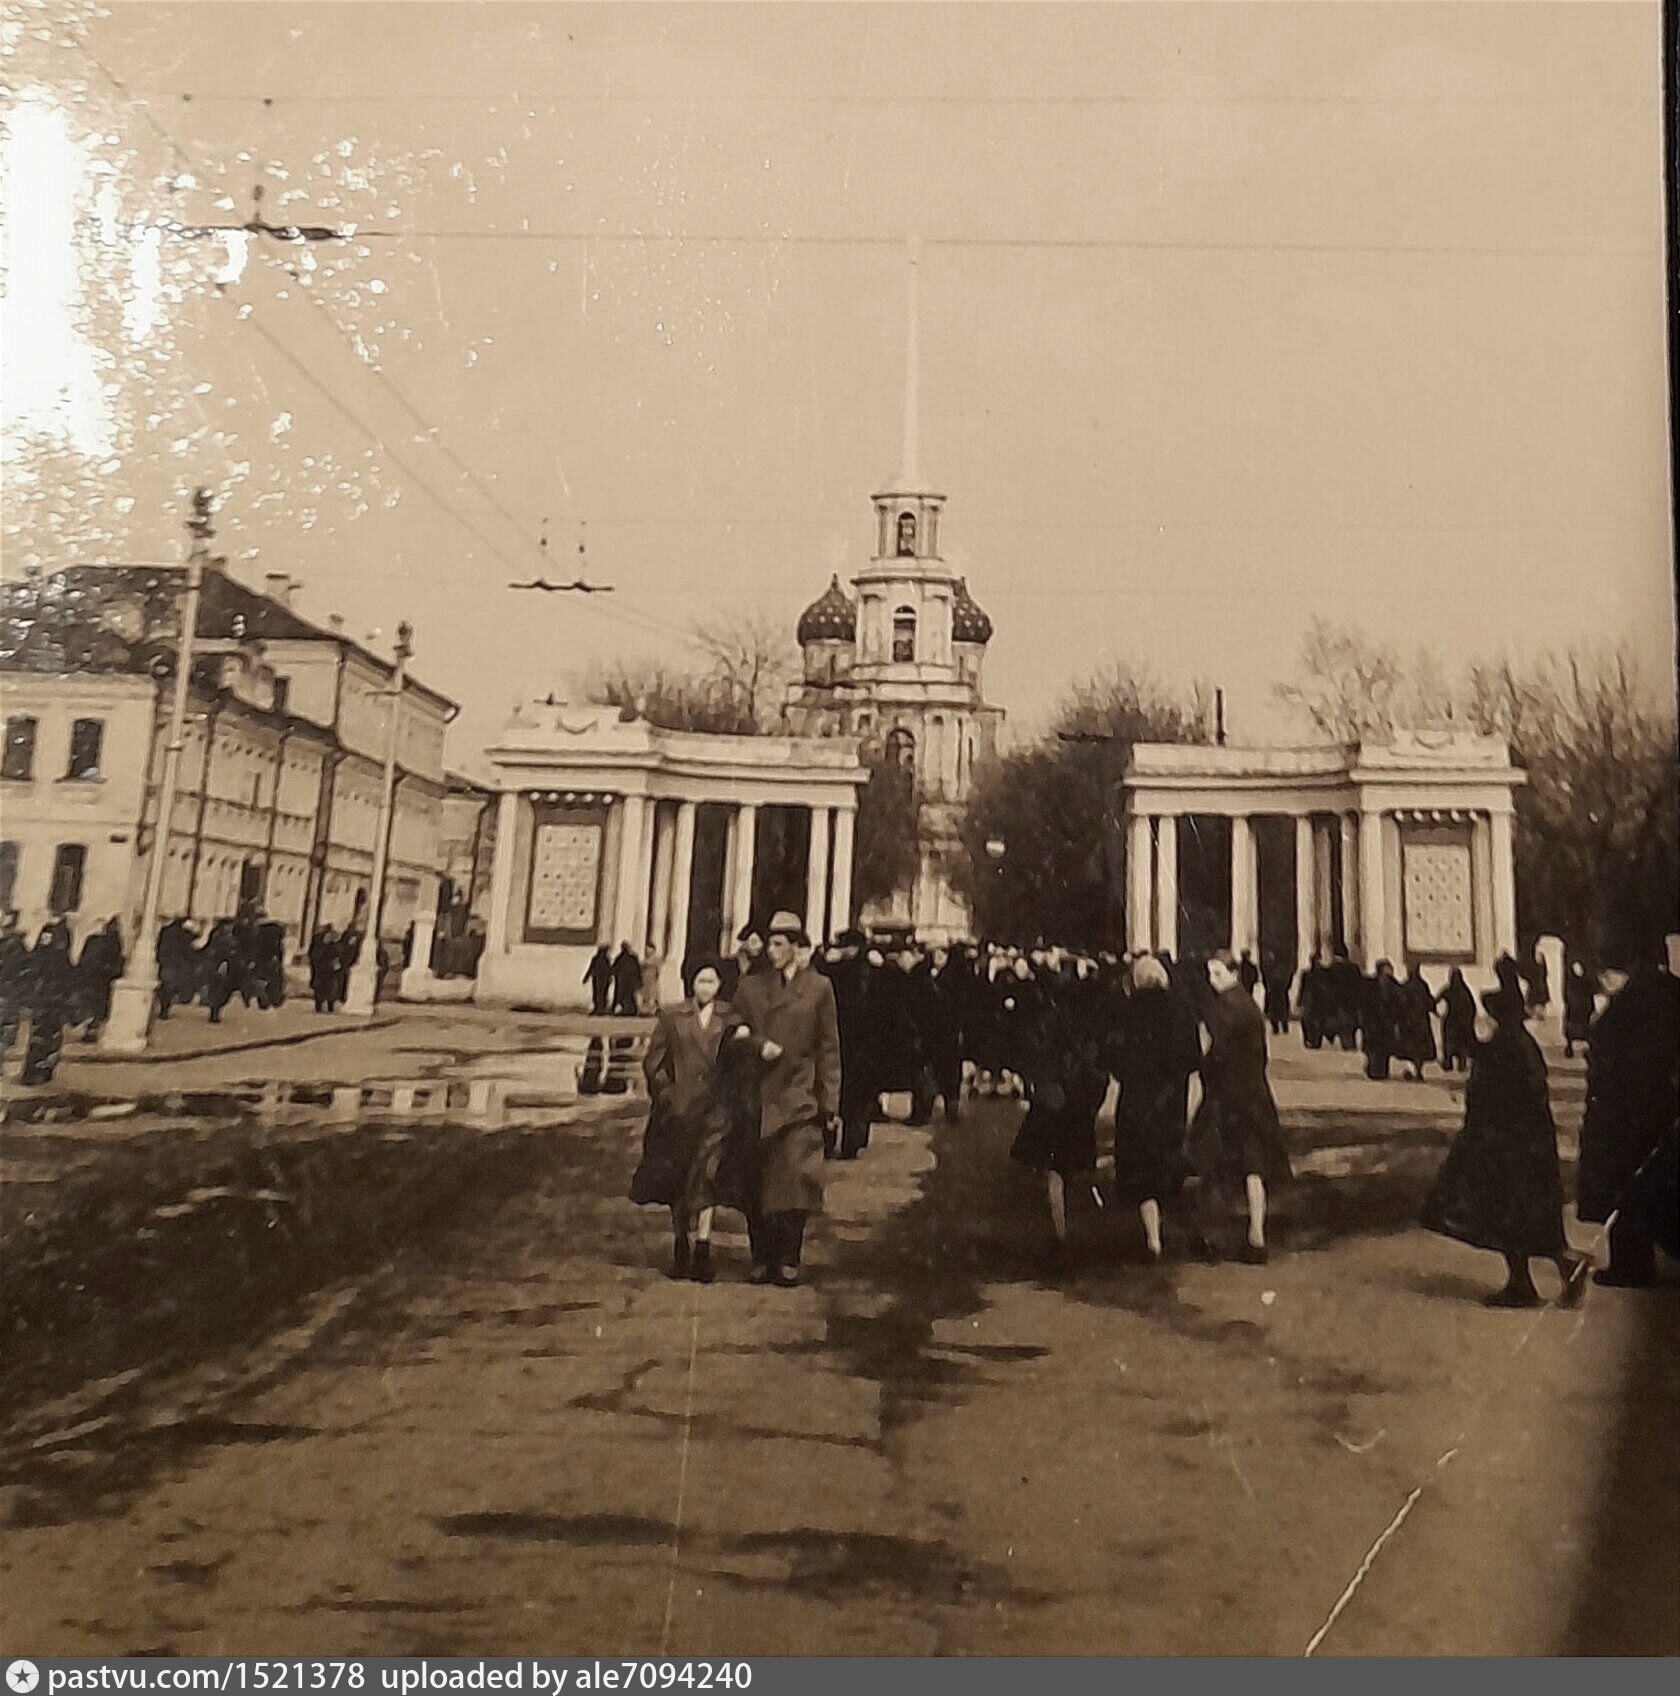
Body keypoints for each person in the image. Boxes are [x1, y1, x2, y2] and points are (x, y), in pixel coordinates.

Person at [1421, 991, 1587, 1307]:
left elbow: (1494, 1092)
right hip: (1527, 1145)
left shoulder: (1506, 1046)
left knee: (1506, 1214)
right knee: (1523, 1219)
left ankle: (1525, 1284)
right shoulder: (1520, 1043)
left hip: (1505, 1145)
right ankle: (1551, 1272)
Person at [729, 911, 840, 1287]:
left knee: (795, 1177)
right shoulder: (749, 987)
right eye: (770, 943)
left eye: (779, 944)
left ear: (796, 947)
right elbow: (732, 1033)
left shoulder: (819, 988)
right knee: (756, 1180)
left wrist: (831, 1102)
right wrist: (757, 1045)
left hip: (798, 1095)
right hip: (755, 1096)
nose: (772, 951)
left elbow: (828, 1048)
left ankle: (789, 1255)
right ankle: (761, 1255)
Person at [629, 961, 748, 1282]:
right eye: (700, 980)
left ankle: (704, 1247)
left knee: (708, 1176)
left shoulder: (731, 1019)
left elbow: (740, 1061)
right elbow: (654, 1062)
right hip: (678, 1114)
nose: (705, 987)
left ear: (720, 984)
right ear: (690, 983)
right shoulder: (672, 1016)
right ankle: (681, 1241)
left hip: (715, 1111)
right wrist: (667, 1095)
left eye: (711, 981)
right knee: (680, 1180)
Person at [1576, 963, 1680, 1287]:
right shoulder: (1658, 996)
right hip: (1649, 1111)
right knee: (1642, 1192)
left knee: (1634, 1195)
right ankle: (1632, 1261)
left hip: (1628, 1117)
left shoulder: (1633, 1006)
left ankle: (1631, 1265)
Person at [1187, 952, 1291, 1263]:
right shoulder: (1250, 1007)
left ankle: (1205, 1234)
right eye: (1210, 973)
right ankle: (1256, 1234)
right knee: (1254, 1168)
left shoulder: (1222, 1009)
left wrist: (1204, 1068)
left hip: (1224, 1100)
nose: (1211, 979)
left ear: (1232, 972)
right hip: (1254, 1097)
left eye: (1217, 973)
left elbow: (1215, 1054)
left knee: (1211, 1166)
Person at [1008, 958, 1108, 1263]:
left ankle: (1060, 1230)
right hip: (1078, 1102)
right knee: (1076, 1165)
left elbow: (1033, 1058)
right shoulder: (1088, 1023)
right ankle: (1087, 1228)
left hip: (1053, 1102)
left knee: (1054, 1170)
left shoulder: (1045, 1021)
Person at [1109, 954, 1202, 1262]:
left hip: (1137, 1101)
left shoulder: (1127, 1011)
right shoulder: (1181, 1009)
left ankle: (1153, 1239)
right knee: (1168, 1163)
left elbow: (1116, 1058)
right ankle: (1183, 1229)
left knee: (1141, 1170)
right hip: (1171, 1100)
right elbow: (1192, 1058)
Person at [818, 929, 877, 1159]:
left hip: (850, 1040)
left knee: (845, 1095)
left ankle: (843, 1142)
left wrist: (824, 961)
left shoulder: (847, 970)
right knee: (855, 1098)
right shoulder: (867, 968)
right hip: (862, 1043)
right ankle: (853, 1142)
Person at [20, 918, 75, 1085]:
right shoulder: (56, 951)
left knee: (44, 1036)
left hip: (48, 998)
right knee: (45, 1036)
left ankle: (36, 1071)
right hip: (49, 998)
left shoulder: (50, 942)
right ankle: (37, 1071)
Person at [74, 917, 124, 1042]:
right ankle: (90, 1030)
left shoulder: (108, 942)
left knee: (95, 1008)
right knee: (94, 1007)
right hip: (96, 979)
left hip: (99, 979)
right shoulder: (99, 941)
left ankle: (91, 1031)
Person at [1361, 959, 1404, 1081]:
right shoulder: (1370, 985)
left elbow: (1400, 1001)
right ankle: (1373, 1069)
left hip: (1386, 1022)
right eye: (1386, 970)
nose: (1388, 973)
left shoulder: (1394, 985)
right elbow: (1364, 1002)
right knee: (1374, 1048)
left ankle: (1382, 1071)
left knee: (1385, 1049)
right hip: (1373, 1021)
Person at [1395, 966, 1437, 1081]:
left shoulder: (1405, 986)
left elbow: (1400, 1003)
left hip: (1408, 1022)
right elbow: (1429, 1001)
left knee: (1410, 1047)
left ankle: (1413, 1069)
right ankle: (1418, 1070)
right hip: (1421, 1020)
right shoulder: (1423, 985)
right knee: (1420, 1047)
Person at [1436, 967, 1476, 1074]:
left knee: (1449, 1042)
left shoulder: (1448, 990)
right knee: (1461, 1043)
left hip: (1451, 1020)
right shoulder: (1465, 991)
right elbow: (1472, 1007)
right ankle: (1461, 1063)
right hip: (1462, 1022)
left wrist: (1438, 1013)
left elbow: (1436, 1000)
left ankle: (1448, 1063)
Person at [156, 917, 198, 1019]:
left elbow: (160, 947)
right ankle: (165, 1009)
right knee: (171, 986)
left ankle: (164, 1009)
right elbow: (189, 948)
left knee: (166, 986)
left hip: (167, 963)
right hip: (176, 964)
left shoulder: (165, 931)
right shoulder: (183, 934)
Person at [0, 910, 28, 1056]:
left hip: (8, 991)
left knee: (6, 1026)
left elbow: (19, 970)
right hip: (9, 992)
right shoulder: (16, 945)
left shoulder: (14, 945)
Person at [1562, 959, 1596, 1059]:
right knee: (1575, 1026)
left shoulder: (1584, 982)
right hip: (1577, 1008)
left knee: (1582, 1026)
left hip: (1582, 1007)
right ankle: (1571, 1046)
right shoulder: (1572, 983)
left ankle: (1582, 1044)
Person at [1261, 950, 1293, 1037]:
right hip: (1280, 994)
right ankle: (1283, 1027)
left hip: (1274, 994)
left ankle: (1277, 1028)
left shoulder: (1269, 971)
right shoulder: (1282, 970)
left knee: (1275, 1012)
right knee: (1281, 1011)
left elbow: (1265, 982)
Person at [308, 925, 340, 1013]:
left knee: (329, 987)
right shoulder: (318, 940)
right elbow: (312, 954)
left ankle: (329, 1006)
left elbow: (337, 953)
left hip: (327, 967)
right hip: (320, 967)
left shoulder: (333, 941)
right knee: (321, 987)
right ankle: (319, 1006)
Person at [610, 941, 643, 1016]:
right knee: (629, 996)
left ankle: (626, 1010)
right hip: (628, 981)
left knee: (623, 996)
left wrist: (612, 974)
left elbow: (614, 969)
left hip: (622, 981)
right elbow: (638, 970)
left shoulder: (620, 958)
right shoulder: (632, 957)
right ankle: (630, 1010)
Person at [583, 945, 613, 1016]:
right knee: (599, 994)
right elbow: (591, 968)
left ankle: (600, 1008)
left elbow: (608, 970)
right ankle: (599, 1008)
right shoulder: (602, 959)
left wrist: (586, 978)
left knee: (600, 994)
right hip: (599, 979)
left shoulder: (604, 959)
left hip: (600, 980)